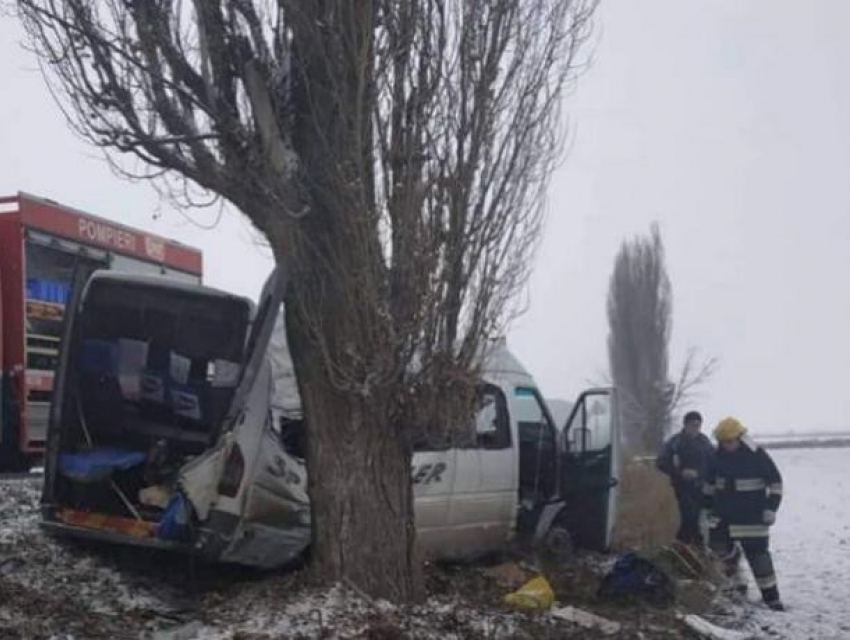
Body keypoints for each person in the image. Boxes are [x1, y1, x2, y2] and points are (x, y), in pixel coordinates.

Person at [702, 417, 784, 611]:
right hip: (722, 519)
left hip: (752, 518)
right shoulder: (715, 457)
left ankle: (772, 599)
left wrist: (771, 508)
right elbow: (709, 486)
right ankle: (733, 595)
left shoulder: (758, 456)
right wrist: (706, 511)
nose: (726, 445)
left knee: (759, 559)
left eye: (730, 441)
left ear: (740, 438)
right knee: (721, 560)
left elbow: (776, 483)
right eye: (723, 442)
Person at [656, 410, 714, 545]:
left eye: (698, 425)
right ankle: (685, 546)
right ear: (685, 425)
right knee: (687, 518)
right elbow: (661, 463)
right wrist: (680, 473)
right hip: (680, 488)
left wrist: (703, 477)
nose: (695, 428)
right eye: (692, 425)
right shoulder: (675, 442)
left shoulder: (705, 442)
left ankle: (692, 547)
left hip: (701, 488)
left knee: (697, 520)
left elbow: (713, 464)